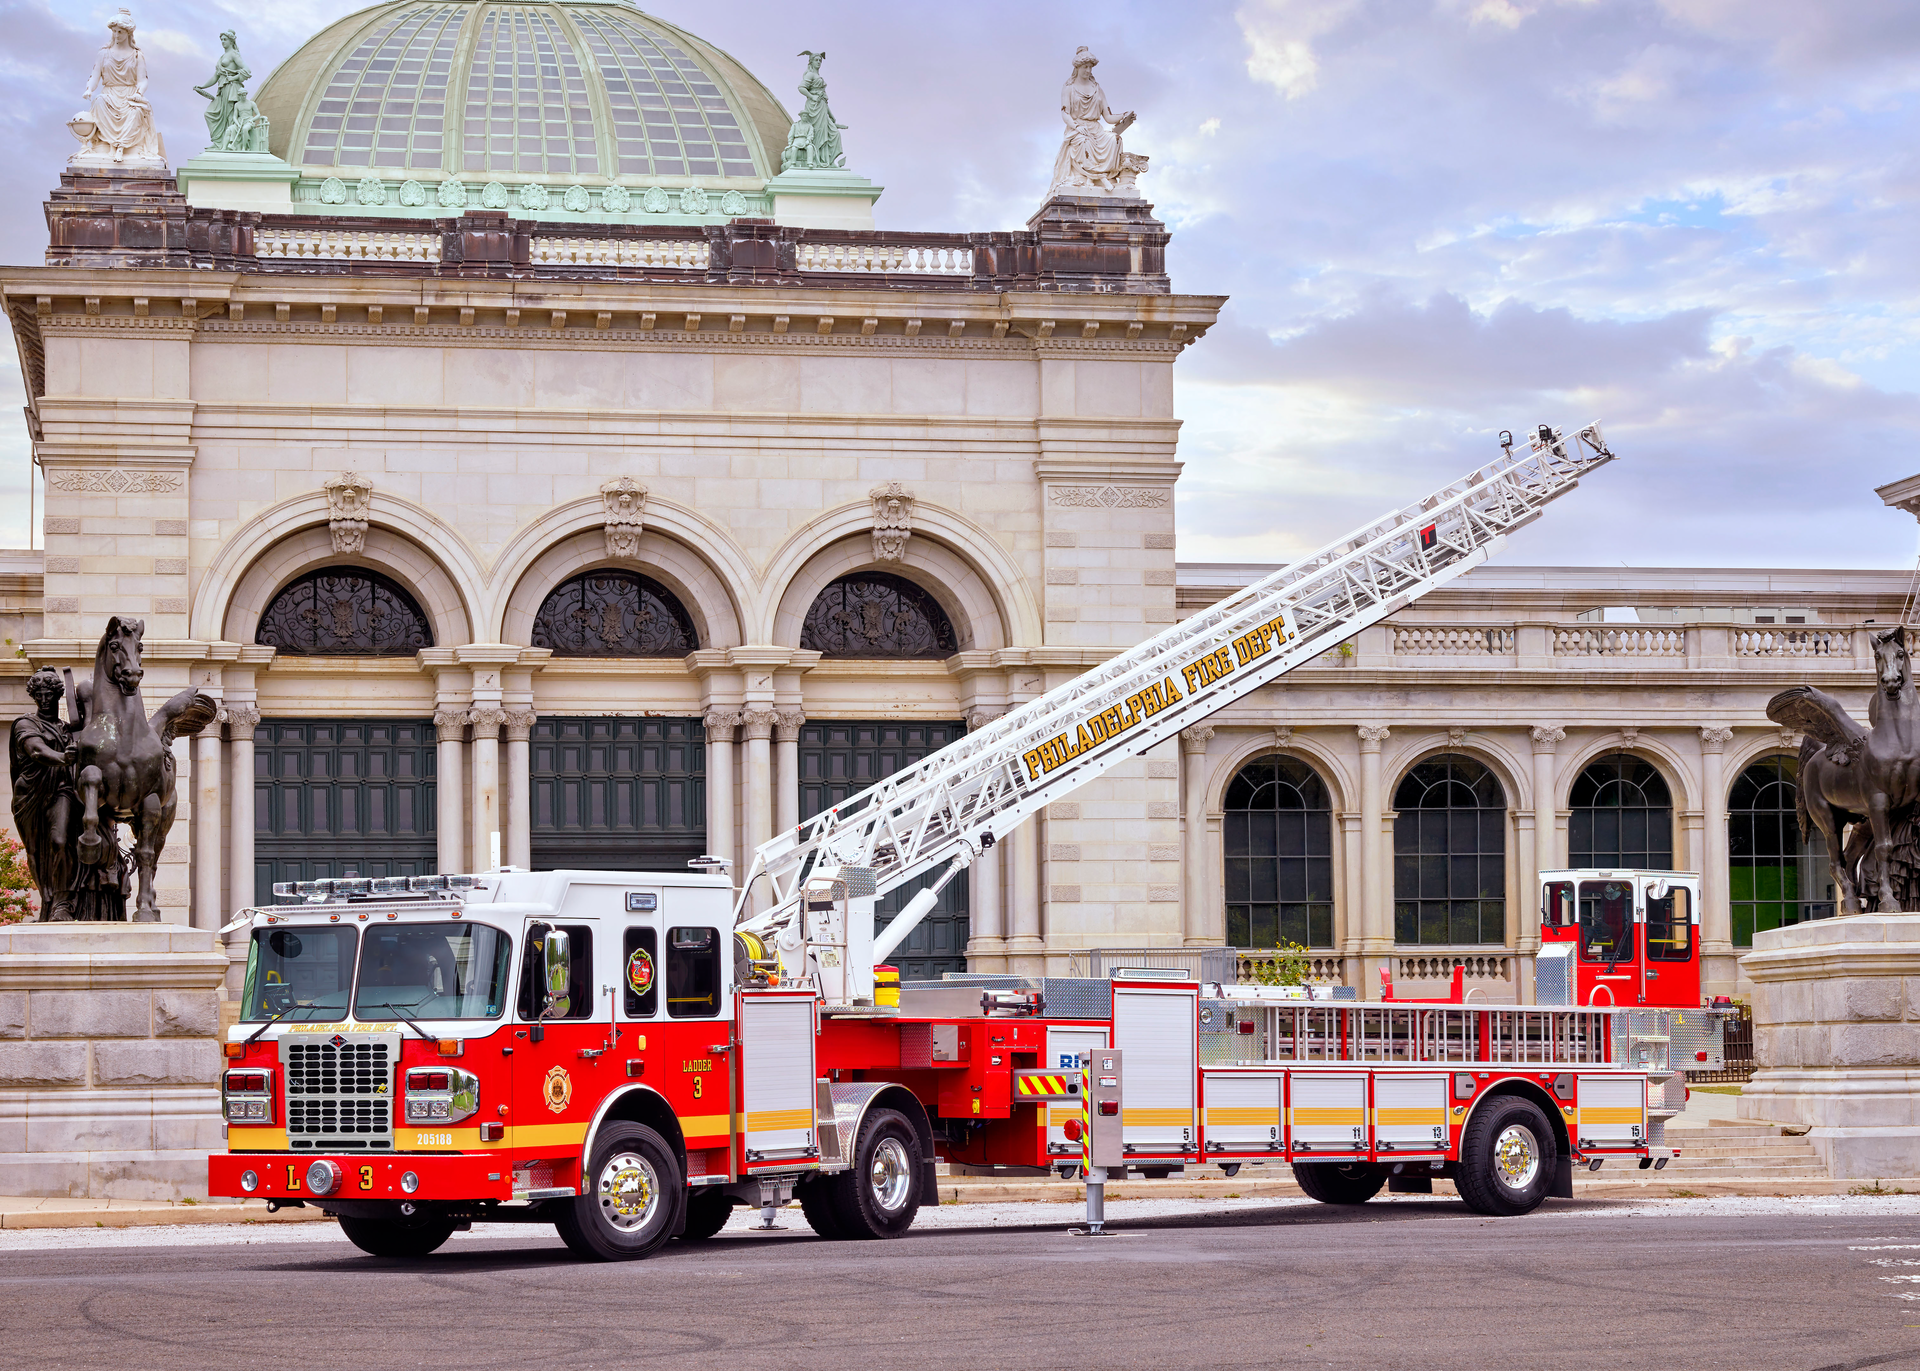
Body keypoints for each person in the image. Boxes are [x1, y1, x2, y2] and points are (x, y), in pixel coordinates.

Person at [8, 669, 76, 922]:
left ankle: (62, 902)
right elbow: (37, 751)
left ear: (58, 694)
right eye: (39, 695)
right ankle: (48, 903)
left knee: (59, 841)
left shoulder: (68, 729)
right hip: (29, 794)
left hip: (61, 789)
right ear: (34, 696)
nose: (45, 700)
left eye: (49, 694)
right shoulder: (25, 724)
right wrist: (63, 757)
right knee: (35, 852)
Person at [75, 10, 165, 166]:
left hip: (130, 95)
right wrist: (89, 89)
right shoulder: (103, 54)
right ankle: (106, 146)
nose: (117, 35)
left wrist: (139, 93)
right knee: (98, 101)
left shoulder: (137, 55)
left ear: (128, 34)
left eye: (120, 32)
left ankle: (121, 147)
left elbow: (143, 80)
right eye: (115, 31)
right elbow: (94, 76)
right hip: (109, 94)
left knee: (136, 111)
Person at [1049, 47, 1133, 196]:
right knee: (1083, 141)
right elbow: (1065, 113)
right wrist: (1076, 126)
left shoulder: (1097, 89)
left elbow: (1108, 117)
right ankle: (1100, 177)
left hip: (1096, 129)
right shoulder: (1069, 88)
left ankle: (1100, 177)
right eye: (1085, 67)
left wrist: (1123, 116)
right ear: (1077, 68)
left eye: (1090, 67)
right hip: (1078, 128)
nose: (1088, 70)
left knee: (1115, 139)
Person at [193, 30, 253, 152]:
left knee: (230, 117)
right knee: (209, 113)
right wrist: (202, 87)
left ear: (231, 41)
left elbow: (247, 70)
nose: (222, 42)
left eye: (225, 39)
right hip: (222, 89)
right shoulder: (222, 58)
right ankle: (217, 142)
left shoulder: (234, 54)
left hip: (232, 89)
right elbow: (215, 77)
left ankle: (230, 144)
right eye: (221, 40)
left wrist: (234, 77)